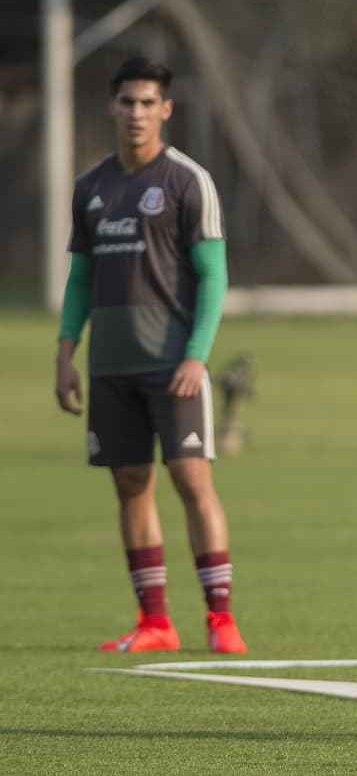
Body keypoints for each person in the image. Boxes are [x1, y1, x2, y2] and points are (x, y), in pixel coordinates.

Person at [55, 56, 247, 654]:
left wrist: (197, 356)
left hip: (173, 364)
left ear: (165, 109)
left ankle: (221, 620)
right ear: (112, 107)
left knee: (192, 479)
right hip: (110, 366)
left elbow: (212, 276)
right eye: (126, 102)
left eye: (147, 102)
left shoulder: (188, 181)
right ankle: (156, 622)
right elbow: (80, 280)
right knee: (130, 485)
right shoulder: (91, 187)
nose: (136, 112)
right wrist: (67, 353)